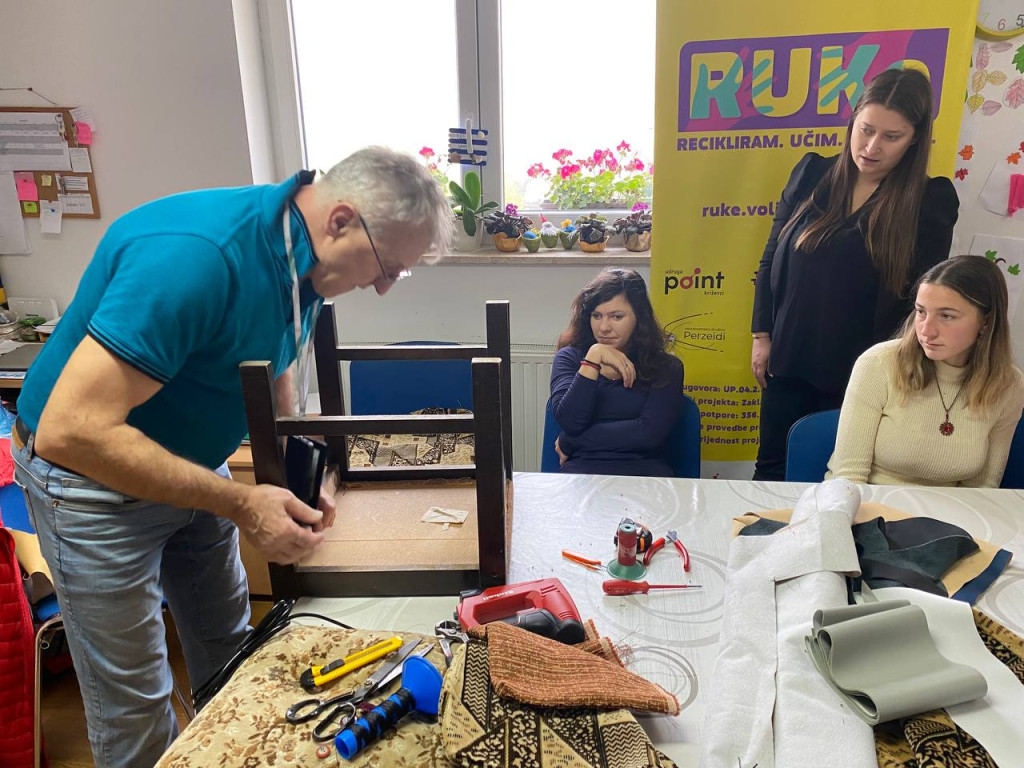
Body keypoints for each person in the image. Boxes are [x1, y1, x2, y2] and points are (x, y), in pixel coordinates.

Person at [11, 147, 451, 767]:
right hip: (92, 486)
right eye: (387, 267)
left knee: (232, 661)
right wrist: (242, 501)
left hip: (194, 470)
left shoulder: (305, 258)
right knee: (135, 711)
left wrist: (294, 469)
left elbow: (272, 364)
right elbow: (70, 431)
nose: (381, 287)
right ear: (341, 220)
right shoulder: (197, 258)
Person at [750, 68, 959, 481]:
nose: (872, 146)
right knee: (772, 474)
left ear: (915, 139)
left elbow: (923, 301)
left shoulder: (930, 200)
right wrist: (761, 335)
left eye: (891, 137)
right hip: (789, 360)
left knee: (844, 484)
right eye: (866, 130)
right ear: (853, 122)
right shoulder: (811, 173)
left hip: (865, 374)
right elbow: (770, 258)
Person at [827, 255, 1024, 487]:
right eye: (921, 312)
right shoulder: (878, 364)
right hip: (869, 501)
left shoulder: (1009, 384)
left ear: (986, 322)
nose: (927, 331)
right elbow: (848, 478)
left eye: (947, 316)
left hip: (947, 507)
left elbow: (983, 488)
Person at [550, 268, 684, 477]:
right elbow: (570, 421)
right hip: (582, 476)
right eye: (596, 316)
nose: (604, 327)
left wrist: (571, 440)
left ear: (639, 318)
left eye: (617, 316)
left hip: (647, 476)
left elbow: (648, 434)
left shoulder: (667, 367)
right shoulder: (569, 358)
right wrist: (592, 359)